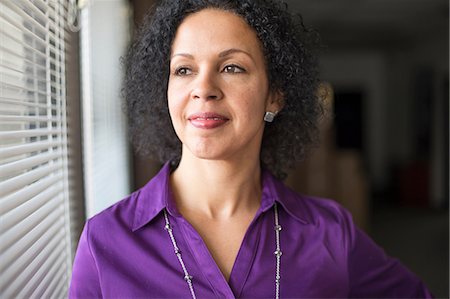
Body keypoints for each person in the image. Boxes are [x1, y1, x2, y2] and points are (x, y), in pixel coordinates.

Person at [69, 0, 433, 298]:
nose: (204, 88)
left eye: (231, 67)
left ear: (274, 95)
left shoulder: (330, 232)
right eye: (183, 70)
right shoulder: (105, 241)